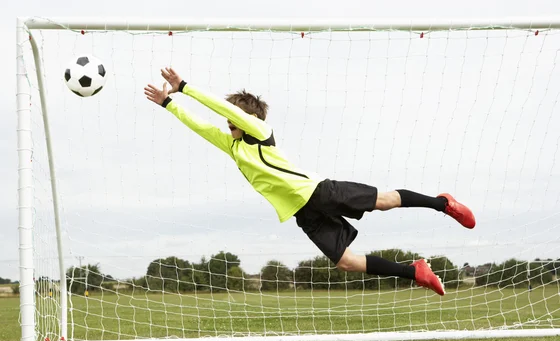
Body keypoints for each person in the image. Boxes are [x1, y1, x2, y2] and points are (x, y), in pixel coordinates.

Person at [144, 67, 476, 296]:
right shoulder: (233, 145)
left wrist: (185, 87)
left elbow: (218, 107)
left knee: (385, 201)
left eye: (233, 117)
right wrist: (169, 104)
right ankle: (415, 271)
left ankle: (442, 203)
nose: (226, 121)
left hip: (319, 191)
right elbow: (201, 127)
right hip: (304, 212)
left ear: (248, 119)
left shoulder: (260, 133)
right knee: (346, 262)